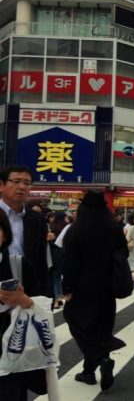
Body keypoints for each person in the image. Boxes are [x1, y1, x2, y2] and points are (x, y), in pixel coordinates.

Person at [62, 191, 128, 390]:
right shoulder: (114, 228)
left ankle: (98, 360)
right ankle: (91, 370)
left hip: (83, 288)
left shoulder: (76, 230)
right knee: (102, 328)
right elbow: (123, 253)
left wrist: (68, 288)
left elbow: (70, 263)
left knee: (77, 322)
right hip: (107, 287)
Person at [0, 208, 49, 400]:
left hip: (11, 354)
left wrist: (24, 300)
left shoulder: (18, 266)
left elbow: (41, 308)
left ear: (5, 235)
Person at [0, 165, 50, 297]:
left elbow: (41, 259)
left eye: (27, 183)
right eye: (16, 181)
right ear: (1, 185)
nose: (22, 187)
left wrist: (44, 294)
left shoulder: (37, 219)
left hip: (29, 288)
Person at [48, 211, 68, 309]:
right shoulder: (66, 229)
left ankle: (57, 299)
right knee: (60, 278)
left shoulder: (51, 228)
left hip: (53, 257)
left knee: (55, 278)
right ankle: (61, 298)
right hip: (63, 257)